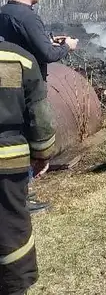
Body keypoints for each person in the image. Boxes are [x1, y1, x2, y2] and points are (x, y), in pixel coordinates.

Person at [0, 0, 77, 215]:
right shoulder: (28, 17)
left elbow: (22, 43)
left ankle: (14, 194)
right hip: (26, 85)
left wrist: (50, 40)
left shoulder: (3, 13)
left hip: (6, 85)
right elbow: (47, 54)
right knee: (26, 140)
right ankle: (21, 199)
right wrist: (67, 47)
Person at [0, 36, 56, 295]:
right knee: (11, 226)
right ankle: (13, 287)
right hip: (8, 163)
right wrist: (43, 152)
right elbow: (39, 114)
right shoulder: (19, 58)